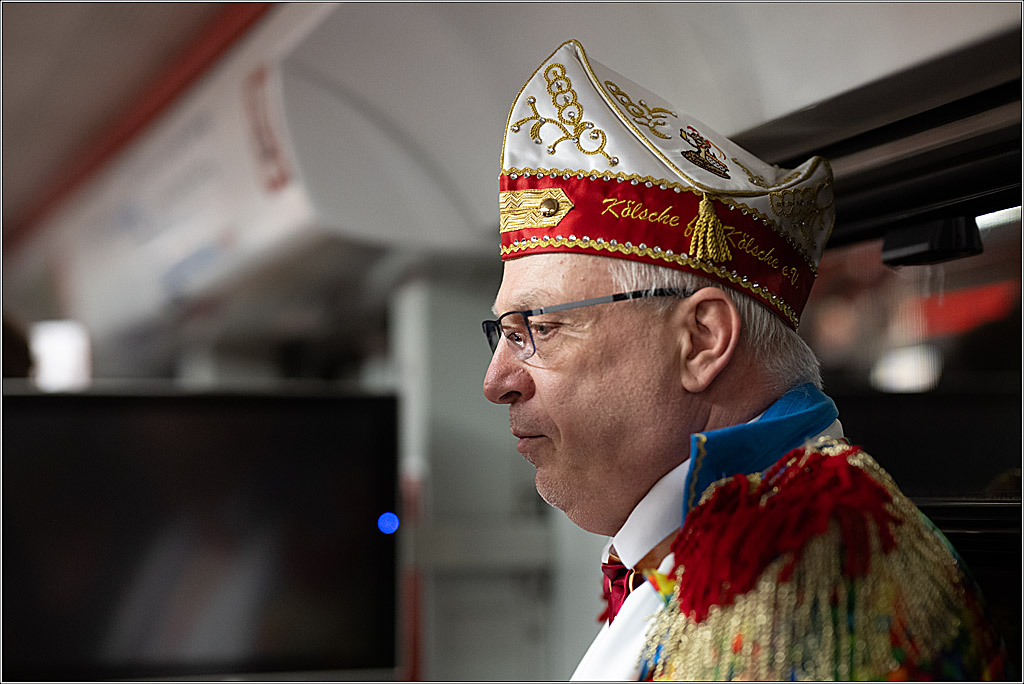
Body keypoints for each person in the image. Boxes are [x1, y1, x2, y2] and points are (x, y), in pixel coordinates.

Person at [482, 39, 1006, 681]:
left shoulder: (804, 575)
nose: (497, 381)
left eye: (540, 327)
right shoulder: (714, 550)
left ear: (701, 341)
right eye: (504, 332)